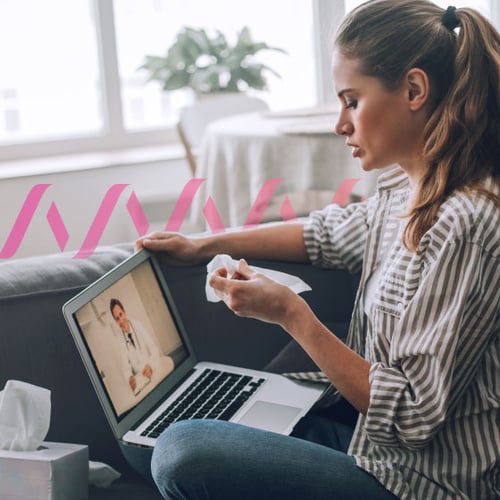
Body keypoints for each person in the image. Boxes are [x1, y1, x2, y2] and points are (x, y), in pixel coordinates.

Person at [135, 1, 500, 498]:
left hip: (422, 482)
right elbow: (327, 233)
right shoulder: (404, 191)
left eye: (352, 100)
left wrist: (293, 315)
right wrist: (204, 244)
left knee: (183, 449)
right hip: (370, 447)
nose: (340, 124)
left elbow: (412, 416)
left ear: (414, 90)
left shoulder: (465, 222)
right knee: (153, 439)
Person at [110, 298, 174, 394]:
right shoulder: (120, 340)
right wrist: (130, 378)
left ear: (124, 312)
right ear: (115, 321)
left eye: (121, 314)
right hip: (140, 376)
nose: (121, 320)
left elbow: (153, 348)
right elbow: (125, 366)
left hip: (151, 365)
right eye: (117, 319)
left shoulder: (137, 325)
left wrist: (151, 366)